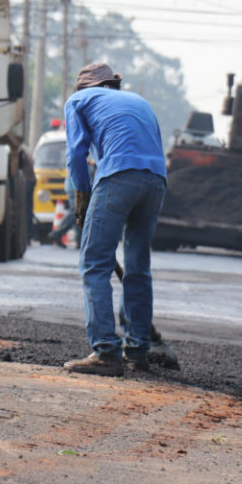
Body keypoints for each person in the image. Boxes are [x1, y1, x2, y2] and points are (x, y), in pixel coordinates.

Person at [61, 62, 167, 376]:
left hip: (119, 177)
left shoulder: (78, 101)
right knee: (137, 267)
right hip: (156, 180)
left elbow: (75, 153)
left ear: (83, 87)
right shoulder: (139, 102)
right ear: (113, 85)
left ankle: (106, 351)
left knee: (95, 262)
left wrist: (81, 194)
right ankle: (137, 351)